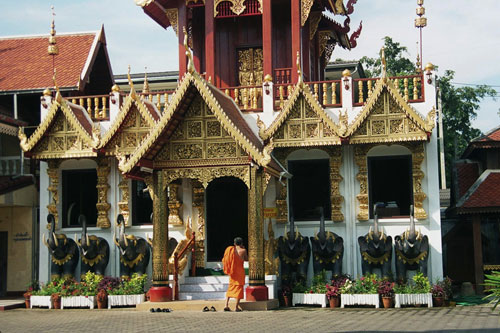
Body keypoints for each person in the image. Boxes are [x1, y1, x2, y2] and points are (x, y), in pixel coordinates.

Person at [222, 237, 248, 312]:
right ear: (242, 243)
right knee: (239, 289)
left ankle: (226, 305)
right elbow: (246, 259)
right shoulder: (243, 250)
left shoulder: (229, 250)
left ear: (234, 243)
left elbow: (225, 259)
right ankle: (236, 307)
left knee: (230, 288)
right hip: (239, 272)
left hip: (232, 272)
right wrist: (243, 249)